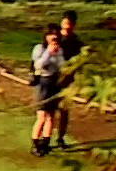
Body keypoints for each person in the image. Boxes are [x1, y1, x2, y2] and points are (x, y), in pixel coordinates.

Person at [30, 24, 65, 156]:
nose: (54, 37)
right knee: (41, 116)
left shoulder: (59, 50)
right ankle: (35, 143)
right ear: (46, 36)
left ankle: (45, 143)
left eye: (56, 34)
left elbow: (62, 66)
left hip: (54, 83)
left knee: (51, 116)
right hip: (43, 83)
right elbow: (37, 65)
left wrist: (57, 54)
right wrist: (48, 53)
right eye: (51, 34)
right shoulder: (39, 48)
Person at [56, 10, 84, 148]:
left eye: (70, 24)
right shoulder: (54, 38)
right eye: (66, 22)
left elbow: (79, 61)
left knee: (64, 110)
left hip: (67, 80)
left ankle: (60, 137)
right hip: (52, 78)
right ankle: (43, 138)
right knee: (48, 110)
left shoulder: (76, 42)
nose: (67, 26)